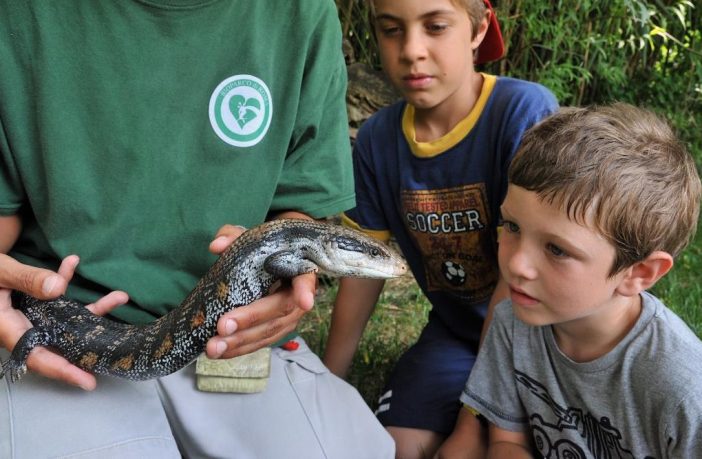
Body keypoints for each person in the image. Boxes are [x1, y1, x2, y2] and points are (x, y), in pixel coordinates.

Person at [0, 1, 394, 457]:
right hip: (57, 318)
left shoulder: (302, 13)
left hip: (229, 341)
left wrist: (291, 281)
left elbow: (300, 206)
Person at [322, 0, 558, 456]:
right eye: (392, 30)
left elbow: (522, 271)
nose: (411, 50)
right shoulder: (376, 140)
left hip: (539, 339)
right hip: (456, 336)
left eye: (434, 27)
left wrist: (472, 421)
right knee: (395, 446)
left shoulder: (522, 112)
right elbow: (360, 270)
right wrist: (327, 382)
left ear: (478, 28)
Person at [445, 103, 702, 457]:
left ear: (638, 273)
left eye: (557, 249)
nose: (517, 264)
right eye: (513, 227)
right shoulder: (512, 324)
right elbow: (507, 441)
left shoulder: (684, 387)